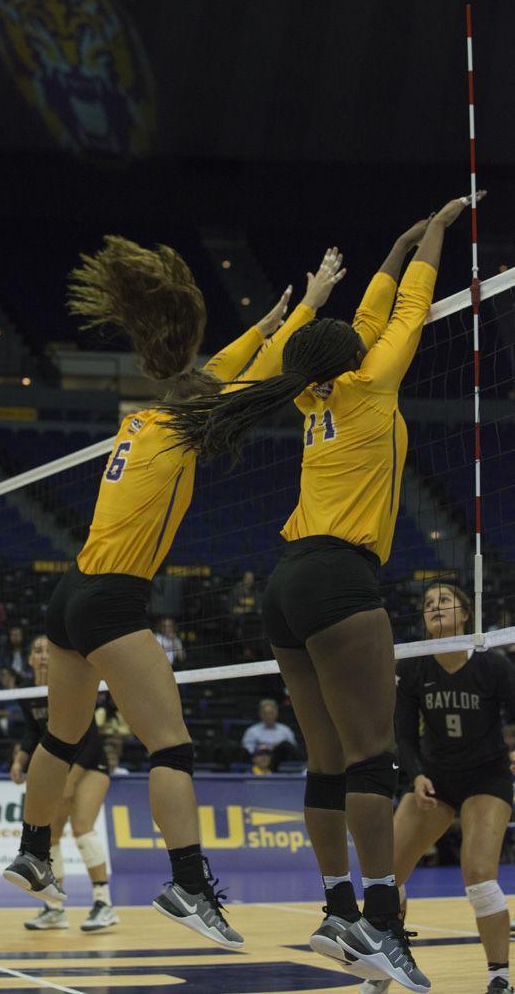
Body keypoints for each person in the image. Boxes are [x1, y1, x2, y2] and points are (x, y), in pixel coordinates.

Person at [162, 197, 484, 986]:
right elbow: (406, 304)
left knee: (328, 761)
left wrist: (404, 238)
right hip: (341, 579)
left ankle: (339, 909)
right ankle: (380, 921)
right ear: (354, 354)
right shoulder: (374, 385)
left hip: (287, 584)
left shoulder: (313, 395)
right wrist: (439, 229)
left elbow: (378, 307)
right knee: (372, 759)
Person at [2, 234, 346, 948]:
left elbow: (218, 373)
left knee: (61, 736)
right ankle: (189, 884)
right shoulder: (189, 425)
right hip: (111, 601)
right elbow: (254, 384)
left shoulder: (147, 418)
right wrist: (309, 309)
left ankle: (34, 852)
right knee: (171, 749)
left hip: (70, 593)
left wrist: (271, 323)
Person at [360, 584, 515, 994]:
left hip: (487, 777)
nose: (435, 607)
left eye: (444, 600)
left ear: (465, 615)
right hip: (436, 778)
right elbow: (404, 734)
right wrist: (416, 774)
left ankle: (499, 977)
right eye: (428, 603)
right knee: (384, 877)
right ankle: (385, 968)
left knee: (479, 876)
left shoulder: (493, 665)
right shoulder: (413, 666)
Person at [9, 635, 117, 932]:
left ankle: (103, 903)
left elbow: (91, 740)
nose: (43, 656)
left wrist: (71, 780)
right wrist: (20, 761)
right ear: (30, 659)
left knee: (82, 828)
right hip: (59, 768)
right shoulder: (28, 693)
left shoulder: (69, 684)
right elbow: (33, 733)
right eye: (37, 651)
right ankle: (54, 909)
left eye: (47, 650)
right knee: (50, 836)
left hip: (90, 763)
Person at [241, 698, 299, 763]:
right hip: (259, 759)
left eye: (271, 713)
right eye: (265, 713)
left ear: (276, 713)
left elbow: (293, 748)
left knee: (285, 745)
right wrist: (261, 748)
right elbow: (247, 749)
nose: (268, 716)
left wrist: (275, 748)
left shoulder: (285, 730)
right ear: (260, 714)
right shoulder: (252, 731)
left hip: (280, 760)